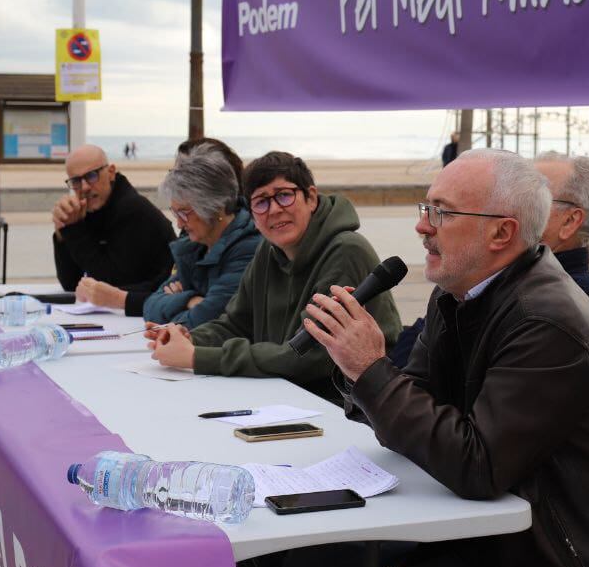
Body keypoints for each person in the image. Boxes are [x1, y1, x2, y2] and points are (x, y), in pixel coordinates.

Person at [295, 149, 589, 567]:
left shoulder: (546, 320)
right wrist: (356, 366)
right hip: (497, 538)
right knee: (314, 558)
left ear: (501, 233)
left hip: (575, 566)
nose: (422, 226)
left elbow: (478, 466)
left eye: (442, 213)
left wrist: (373, 370)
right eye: (425, 207)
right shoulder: (459, 292)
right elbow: (415, 404)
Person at [146, 151, 401, 400]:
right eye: (262, 201)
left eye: (284, 195)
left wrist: (196, 357)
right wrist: (188, 337)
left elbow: (307, 356)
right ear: (253, 214)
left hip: (344, 404)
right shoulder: (268, 250)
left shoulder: (346, 251)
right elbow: (236, 324)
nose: (275, 209)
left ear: (311, 197)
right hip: (287, 394)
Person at [140, 144, 261, 329]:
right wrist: (190, 299)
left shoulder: (248, 248)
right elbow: (150, 307)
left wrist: (178, 300)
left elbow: (204, 322)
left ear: (214, 206)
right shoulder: (196, 247)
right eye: (175, 214)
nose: (179, 224)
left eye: (184, 213)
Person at [52, 144, 174, 298]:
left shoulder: (134, 210)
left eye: (91, 176)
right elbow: (70, 283)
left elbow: (110, 284)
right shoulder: (93, 208)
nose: (84, 187)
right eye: (76, 181)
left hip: (162, 305)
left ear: (110, 172)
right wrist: (62, 231)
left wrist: (74, 230)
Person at [535, 151, 589, 331]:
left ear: (569, 221)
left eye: (535, 198)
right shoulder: (538, 278)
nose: (516, 205)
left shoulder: (575, 297)